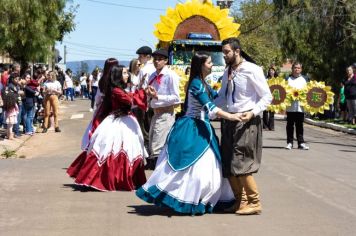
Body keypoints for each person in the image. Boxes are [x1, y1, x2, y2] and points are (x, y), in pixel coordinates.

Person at [136, 51, 243, 215]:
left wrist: (229, 84)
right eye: (209, 62)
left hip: (202, 128)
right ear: (201, 65)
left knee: (208, 167)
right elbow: (210, 107)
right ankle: (187, 198)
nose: (212, 65)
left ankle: (201, 198)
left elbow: (219, 99)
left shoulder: (203, 83)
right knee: (189, 166)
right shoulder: (196, 84)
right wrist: (231, 116)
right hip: (192, 127)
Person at [67, 65, 148, 191]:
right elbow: (130, 101)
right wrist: (143, 92)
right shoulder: (116, 90)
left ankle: (126, 180)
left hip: (126, 121)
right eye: (125, 73)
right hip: (117, 123)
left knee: (129, 150)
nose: (127, 75)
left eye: (127, 73)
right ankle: (109, 180)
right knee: (108, 149)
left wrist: (143, 92)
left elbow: (132, 102)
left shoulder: (121, 89)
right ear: (118, 76)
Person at [215, 37, 272, 215]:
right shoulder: (227, 72)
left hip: (247, 120)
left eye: (227, 52)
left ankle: (255, 202)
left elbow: (267, 97)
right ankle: (240, 201)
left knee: (241, 162)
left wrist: (253, 113)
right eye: (223, 53)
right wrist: (206, 106)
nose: (224, 56)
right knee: (227, 162)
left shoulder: (252, 69)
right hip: (229, 119)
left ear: (237, 51)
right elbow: (223, 97)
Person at [144, 49, 181, 170]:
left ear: (165, 61)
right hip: (155, 113)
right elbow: (152, 94)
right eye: (155, 59)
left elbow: (176, 98)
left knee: (158, 144)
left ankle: (158, 170)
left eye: (160, 59)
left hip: (166, 113)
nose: (156, 62)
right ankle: (153, 166)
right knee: (152, 142)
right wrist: (149, 95)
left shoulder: (171, 75)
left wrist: (157, 96)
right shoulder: (153, 75)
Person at [81, 58, 119, 151]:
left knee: (100, 131)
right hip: (115, 108)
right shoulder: (117, 79)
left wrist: (98, 107)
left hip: (103, 108)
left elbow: (98, 97)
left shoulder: (102, 79)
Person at [135, 46, 156, 155]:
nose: (139, 58)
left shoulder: (144, 69)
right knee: (154, 129)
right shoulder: (156, 68)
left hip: (145, 102)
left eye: (141, 56)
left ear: (147, 57)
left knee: (145, 130)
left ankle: (148, 154)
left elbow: (140, 87)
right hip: (156, 102)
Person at [285, 62, 309, 150]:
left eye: (298, 68)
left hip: (300, 107)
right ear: (292, 69)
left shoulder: (305, 79)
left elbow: (308, 92)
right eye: (295, 68)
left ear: (301, 69)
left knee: (300, 125)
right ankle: (289, 143)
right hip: (290, 106)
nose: (297, 69)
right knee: (290, 125)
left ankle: (301, 143)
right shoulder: (287, 79)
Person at [262, 66, 277, 131]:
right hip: (266, 97)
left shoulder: (277, 80)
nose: (271, 71)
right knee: (265, 112)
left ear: (275, 72)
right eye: (270, 70)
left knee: (272, 112)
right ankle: (265, 126)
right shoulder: (266, 79)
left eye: (272, 70)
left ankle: (271, 126)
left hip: (274, 97)